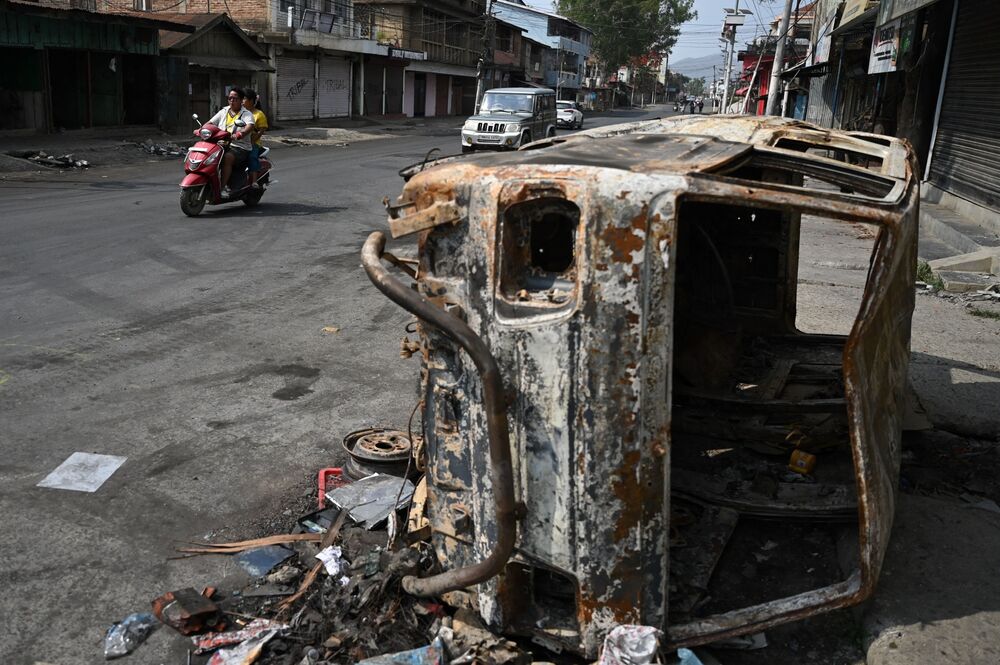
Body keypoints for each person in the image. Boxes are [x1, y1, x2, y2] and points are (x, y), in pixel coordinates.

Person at [208, 87, 254, 194]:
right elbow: (210, 123)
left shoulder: (247, 114)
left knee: (227, 158)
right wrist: (201, 130)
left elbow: (249, 126)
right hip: (221, 144)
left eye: (235, 98)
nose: (232, 101)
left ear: (242, 100)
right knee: (209, 155)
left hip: (240, 147)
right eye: (230, 98)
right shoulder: (223, 111)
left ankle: (222, 187)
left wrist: (240, 133)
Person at [242, 89, 268, 189]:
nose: (242, 101)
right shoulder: (240, 113)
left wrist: (252, 142)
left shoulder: (259, 114)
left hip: (253, 143)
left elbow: (261, 130)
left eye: (244, 98)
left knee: (252, 157)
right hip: (239, 142)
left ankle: (254, 181)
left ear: (252, 100)